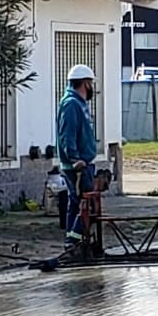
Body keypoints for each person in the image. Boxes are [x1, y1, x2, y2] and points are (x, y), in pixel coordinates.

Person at [56, 64, 98, 248]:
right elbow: (68, 135)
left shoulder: (79, 104)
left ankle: (74, 241)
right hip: (77, 166)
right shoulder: (71, 104)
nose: (92, 88)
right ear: (85, 83)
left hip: (84, 162)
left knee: (76, 204)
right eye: (90, 83)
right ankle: (72, 241)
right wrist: (74, 159)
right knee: (85, 203)